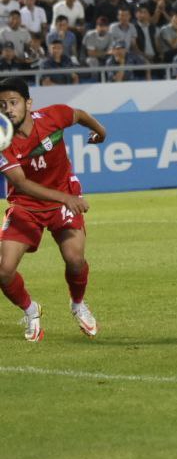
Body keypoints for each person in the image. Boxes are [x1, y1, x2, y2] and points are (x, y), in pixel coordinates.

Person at [0, 78, 107, 341]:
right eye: (2, 106)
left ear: (28, 102)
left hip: (63, 197)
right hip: (26, 205)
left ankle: (78, 304)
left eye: (13, 103)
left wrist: (101, 132)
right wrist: (64, 198)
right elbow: (21, 184)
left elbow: (79, 115)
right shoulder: (2, 141)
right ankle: (30, 309)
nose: (8, 110)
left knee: (75, 259)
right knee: (3, 270)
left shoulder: (53, 116)